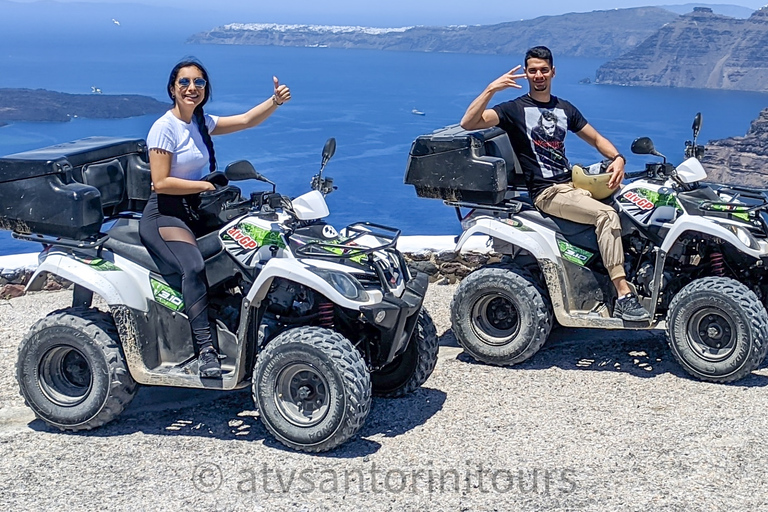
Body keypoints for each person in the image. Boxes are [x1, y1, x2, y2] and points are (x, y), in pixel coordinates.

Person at [460, 45, 650, 322]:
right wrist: (492, 89)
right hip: (548, 192)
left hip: (573, 184)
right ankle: (623, 295)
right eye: (533, 70)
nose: (539, 75)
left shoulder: (564, 108)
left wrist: (618, 158)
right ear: (525, 74)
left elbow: (596, 139)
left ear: (553, 72)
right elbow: (469, 122)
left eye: (544, 70)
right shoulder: (514, 109)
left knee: (632, 206)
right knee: (606, 215)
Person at [139, 59, 292, 377]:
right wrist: (204, 185)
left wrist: (275, 101)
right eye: (184, 83)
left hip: (198, 209)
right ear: (172, 89)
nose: (192, 88)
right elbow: (160, 182)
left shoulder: (200, 122)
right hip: (166, 213)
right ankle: (205, 352)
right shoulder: (164, 128)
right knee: (193, 266)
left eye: (199, 82)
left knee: (249, 248)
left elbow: (247, 120)